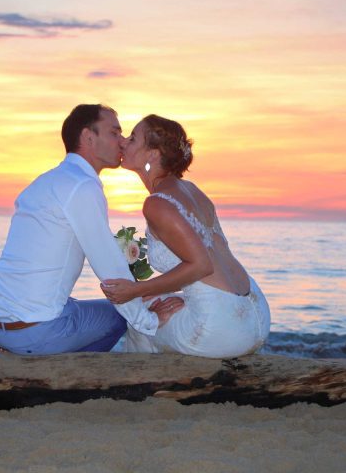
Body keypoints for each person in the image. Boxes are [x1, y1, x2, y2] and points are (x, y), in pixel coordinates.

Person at [0, 104, 184, 355]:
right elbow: (108, 268)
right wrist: (148, 320)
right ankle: (59, 372)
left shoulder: (47, 181)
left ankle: (24, 352)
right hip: (32, 332)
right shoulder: (82, 186)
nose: (121, 142)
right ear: (88, 137)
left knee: (92, 308)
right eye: (114, 133)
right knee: (121, 318)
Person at [100, 115, 271, 358]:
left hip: (220, 327)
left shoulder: (156, 203)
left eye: (133, 138)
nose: (124, 142)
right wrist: (179, 297)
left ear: (152, 154)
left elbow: (201, 265)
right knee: (154, 302)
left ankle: (136, 387)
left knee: (141, 320)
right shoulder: (191, 190)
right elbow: (210, 267)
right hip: (256, 312)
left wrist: (134, 291)